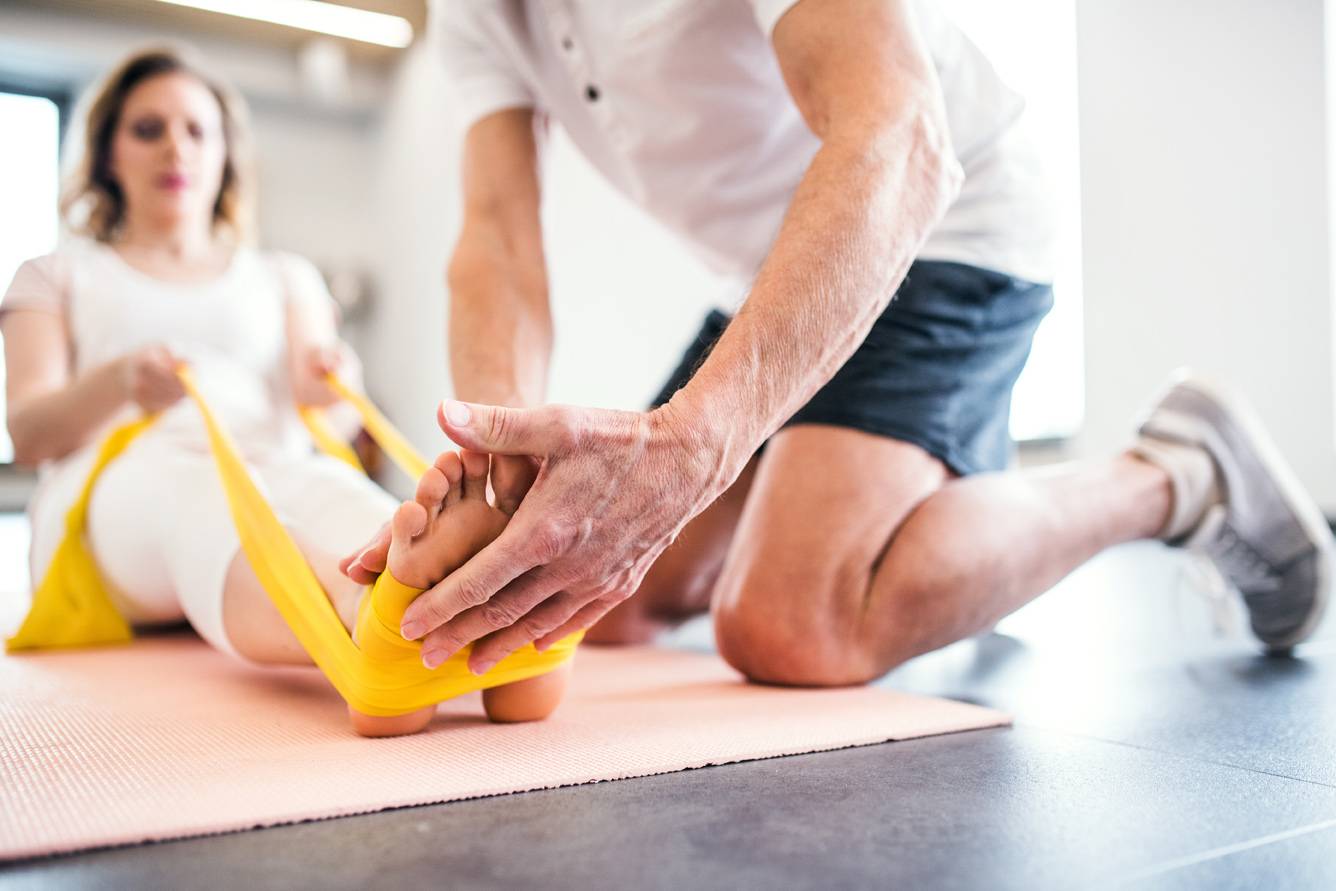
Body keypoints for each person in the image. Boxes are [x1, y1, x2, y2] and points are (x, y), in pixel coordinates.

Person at [343, 0, 1333, 682]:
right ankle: (926, 515)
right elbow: (499, 241)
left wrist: (697, 442)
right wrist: (495, 476)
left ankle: (1176, 473)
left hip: (945, 221)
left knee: (792, 626)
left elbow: (896, 135)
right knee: (605, 603)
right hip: (775, 268)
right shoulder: (477, 10)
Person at [2, 47, 567, 736]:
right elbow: (29, 432)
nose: (174, 147)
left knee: (343, 496)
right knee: (207, 504)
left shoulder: (282, 276)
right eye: (148, 129)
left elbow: (320, 395)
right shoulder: (55, 274)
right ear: (107, 153)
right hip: (119, 480)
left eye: (196, 131)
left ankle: (472, 613)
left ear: (225, 157)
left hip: (273, 457)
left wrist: (334, 376)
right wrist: (120, 381)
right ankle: (371, 622)